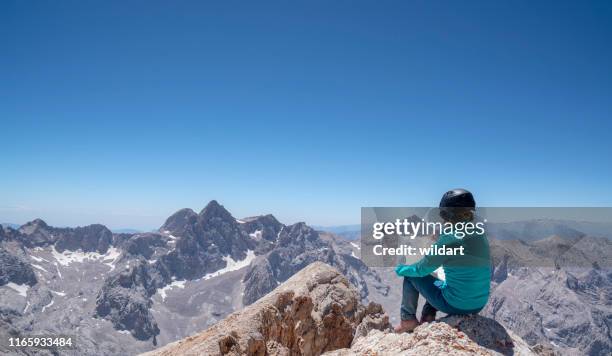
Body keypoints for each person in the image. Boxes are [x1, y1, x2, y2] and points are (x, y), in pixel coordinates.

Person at [394, 189, 491, 333]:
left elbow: (421, 269)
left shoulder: (448, 239)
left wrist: (400, 269)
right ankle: (428, 316)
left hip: (457, 305)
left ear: (448, 214)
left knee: (411, 276)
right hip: (479, 304)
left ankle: (407, 320)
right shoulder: (479, 234)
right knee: (439, 282)